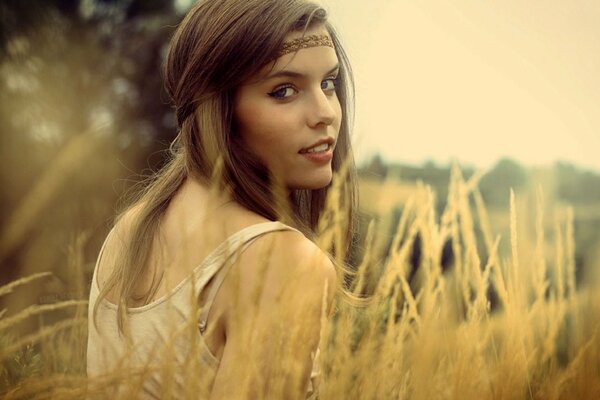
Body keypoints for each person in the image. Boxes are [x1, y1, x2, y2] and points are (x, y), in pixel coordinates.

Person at [87, 0, 357, 398]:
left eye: (329, 83)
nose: (325, 113)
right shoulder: (284, 262)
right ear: (220, 109)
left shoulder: (130, 230)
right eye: (284, 90)